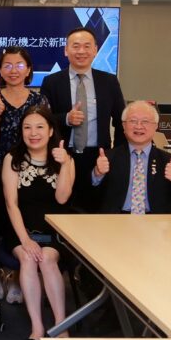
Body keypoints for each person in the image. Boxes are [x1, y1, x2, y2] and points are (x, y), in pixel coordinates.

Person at [1, 105, 74, 340]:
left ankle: (61, 326)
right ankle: (37, 328)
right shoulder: (12, 159)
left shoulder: (65, 158)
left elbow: (62, 198)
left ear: (51, 130)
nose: (33, 133)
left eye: (40, 127)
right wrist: (25, 240)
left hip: (53, 230)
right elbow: (11, 204)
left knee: (47, 259)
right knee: (28, 259)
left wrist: (65, 165)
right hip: (20, 228)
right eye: (27, 127)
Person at [0, 46, 50, 303]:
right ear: (0, 71)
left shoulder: (39, 101)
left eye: (19, 65)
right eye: (7, 65)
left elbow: (45, 134)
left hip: (31, 168)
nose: (14, 70)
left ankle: (18, 276)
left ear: (29, 69)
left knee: (26, 216)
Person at [40, 26, 126, 212]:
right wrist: (66, 118)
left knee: (95, 209)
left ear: (95, 50)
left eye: (87, 46)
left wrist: (117, 155)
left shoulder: (109, 82)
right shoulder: (52, 82)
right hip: (63, 155)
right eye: (75, 46)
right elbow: (43, 121)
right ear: (66, 50)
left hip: (98, 156)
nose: (81, 51)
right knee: (61, 208)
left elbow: (121, 121)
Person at [91, 101, 171, 214]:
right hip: (117, 219)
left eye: (145, 121)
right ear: (124, 125)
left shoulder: (168, 160)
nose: (139, 126)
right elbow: (89, 198)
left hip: (155, 221)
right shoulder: (108, 158)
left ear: (156, 126)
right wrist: (97, 175)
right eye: (133, 121)